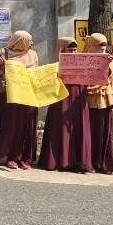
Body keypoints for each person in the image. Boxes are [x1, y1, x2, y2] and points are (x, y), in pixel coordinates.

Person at [37, 38, 91, 172]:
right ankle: (58, 161)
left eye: (74, 50)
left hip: (78, 97)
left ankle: (77, 162)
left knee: (77, 126)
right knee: (60, 127)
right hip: (61, 98)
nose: (73, 52)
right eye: (69, 50)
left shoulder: (80, 60)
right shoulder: (55, 63)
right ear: (62, 50)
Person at [0, 31, 40, 170]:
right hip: (10, 97)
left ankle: (25, 158)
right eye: (29, 41)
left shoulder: (33, 54)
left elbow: (36, 73)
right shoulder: (4, 53)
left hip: (28, 96)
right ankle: (11, 157)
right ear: (20, 41)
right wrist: (0, 66)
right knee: (12, 125)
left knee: (27, 126)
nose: (32, 43)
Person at [84, 33, 113, 175]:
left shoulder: (110, 59)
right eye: (99, 44)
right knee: (90, 133)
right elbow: (83, 81)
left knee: (104, 133)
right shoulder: (85, 59)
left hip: (106, 101)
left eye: (105, 45)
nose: (103, 48)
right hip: (90, 102)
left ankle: (103, 163)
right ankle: (90, 162)